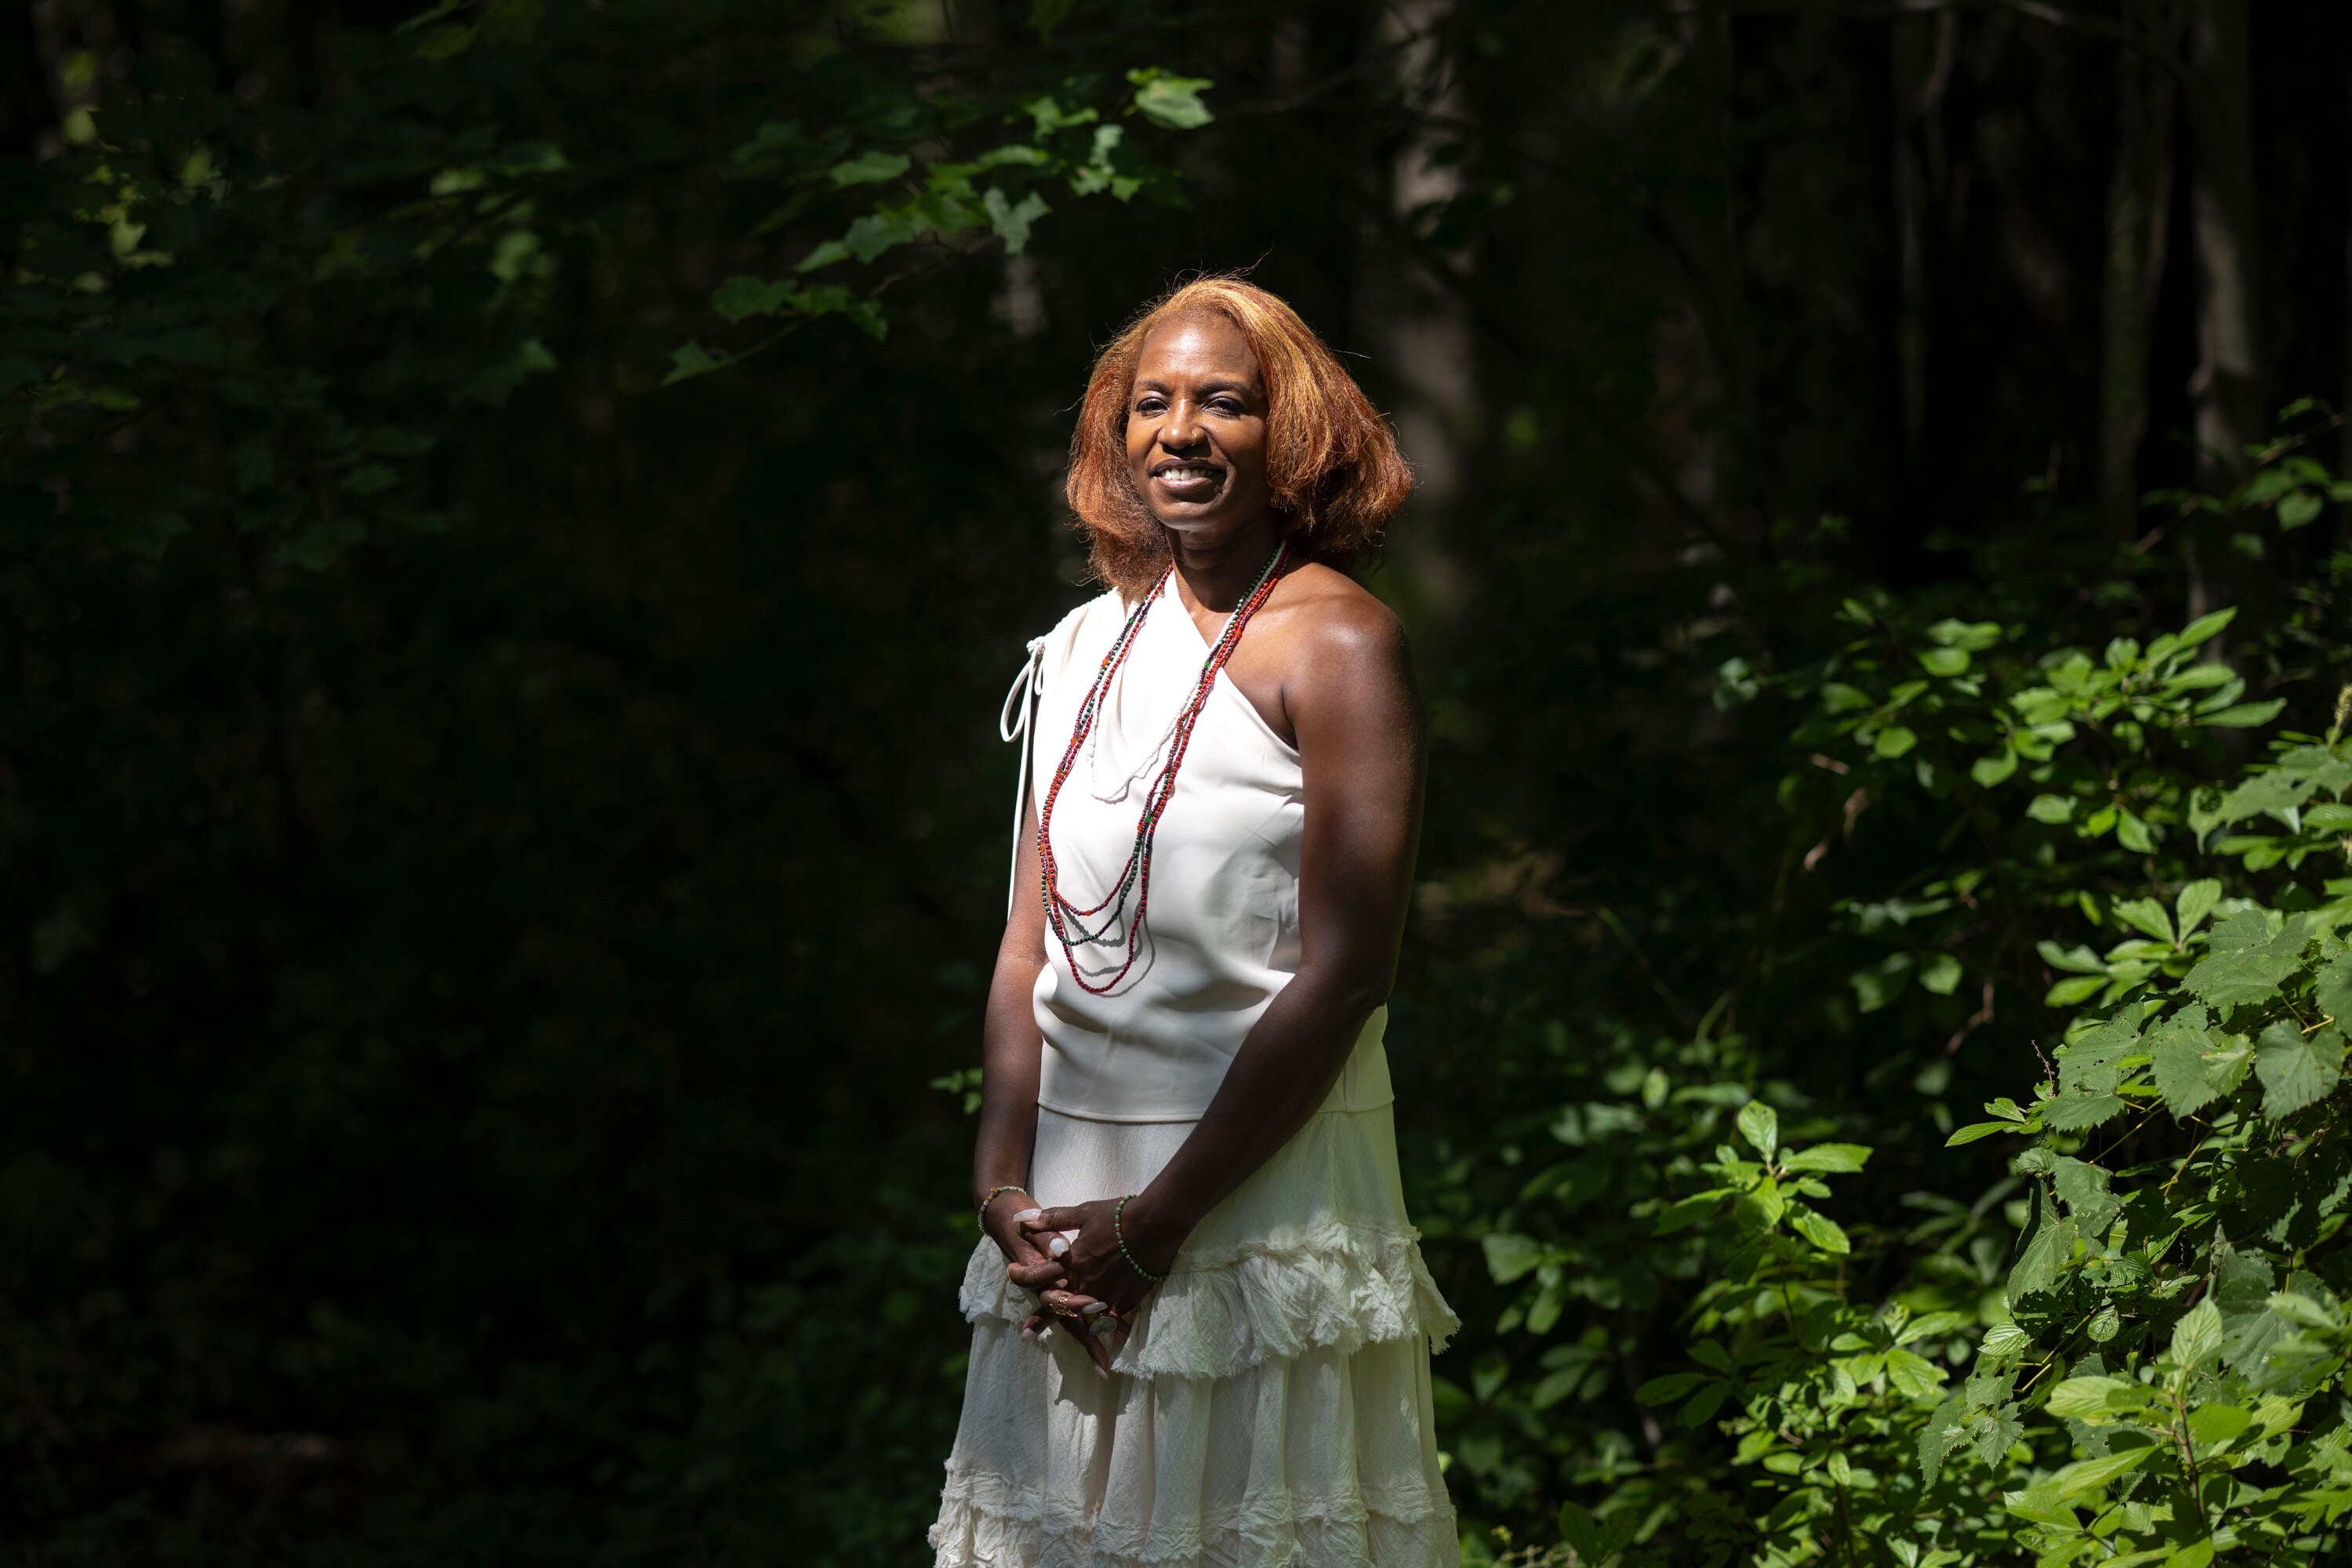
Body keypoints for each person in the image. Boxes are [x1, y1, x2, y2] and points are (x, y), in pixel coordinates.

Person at [929, 275, 1460, 1568]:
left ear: (1294, 435)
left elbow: (1348, 975)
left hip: (1255, 1205)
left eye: (1224, 402)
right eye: (1151, 404)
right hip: (1066, 1218)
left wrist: (1157, 1227)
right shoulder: (1076, 647)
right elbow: (1028, 948)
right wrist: (1001, 1188)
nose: (1181, 432)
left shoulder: (1340, 644)